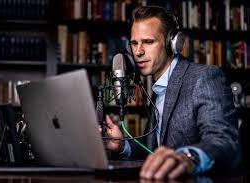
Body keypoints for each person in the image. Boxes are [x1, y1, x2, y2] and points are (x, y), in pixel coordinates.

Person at [103, 6, 240, 180]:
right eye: (134, 43)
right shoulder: (158, 90)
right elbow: (154, 150)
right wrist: (122, 146)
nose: (138, 52)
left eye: (148, 42)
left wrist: (188, 158)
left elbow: (225, 142)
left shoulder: (204, 77)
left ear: (173, 43)